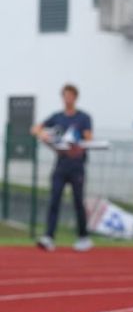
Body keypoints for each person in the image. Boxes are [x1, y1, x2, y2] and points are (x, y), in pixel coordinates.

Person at [31, 84, 94, 252]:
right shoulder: (57, 117)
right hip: (61, 164)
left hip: (77, 165)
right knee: (54, 200)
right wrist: (43, 135)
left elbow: (89, 138)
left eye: (70, 96)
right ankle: (49, 237)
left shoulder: (83, 118)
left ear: (75, 97)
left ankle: (83, 237)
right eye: (65, 95)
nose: (68, 99)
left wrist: (77, 145)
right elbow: (36, 128)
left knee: (78, 201)